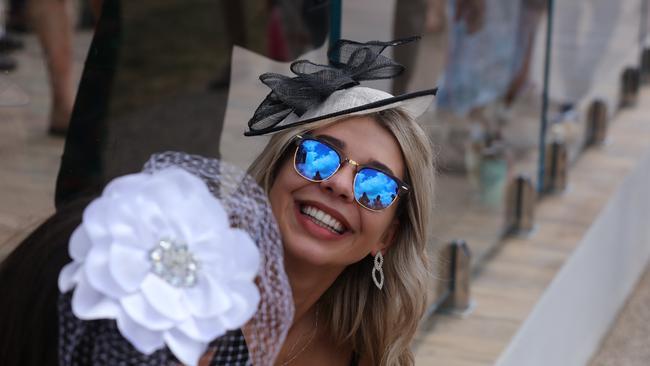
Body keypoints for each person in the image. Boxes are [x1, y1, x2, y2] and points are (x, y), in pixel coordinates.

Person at [245, 37, 437, 365]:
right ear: (276, 170)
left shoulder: (367, 356)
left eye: (376, 185)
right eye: (320, 155)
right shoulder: (172, 284)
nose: (340, 185)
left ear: (387, 237)